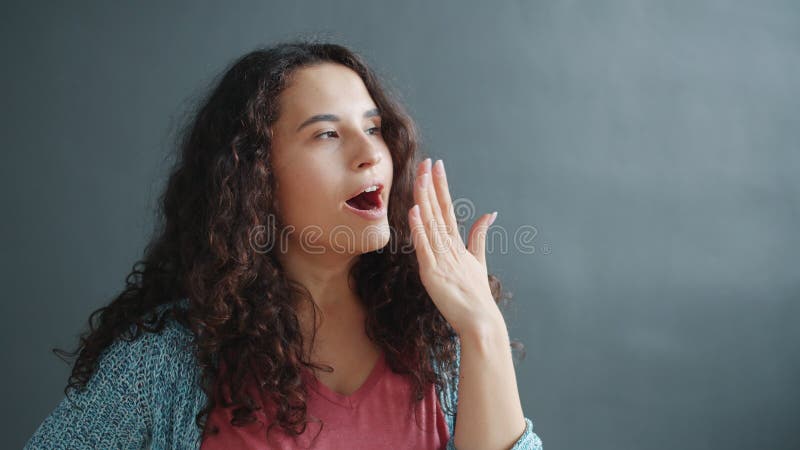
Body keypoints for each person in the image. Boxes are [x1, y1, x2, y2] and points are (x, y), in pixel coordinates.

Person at [24, 40, 543, 450]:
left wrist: (482, 328)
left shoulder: (433, 338)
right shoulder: (164, 363)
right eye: (327, 135)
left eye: (374, 127)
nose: (370, 154)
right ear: (254, 175)